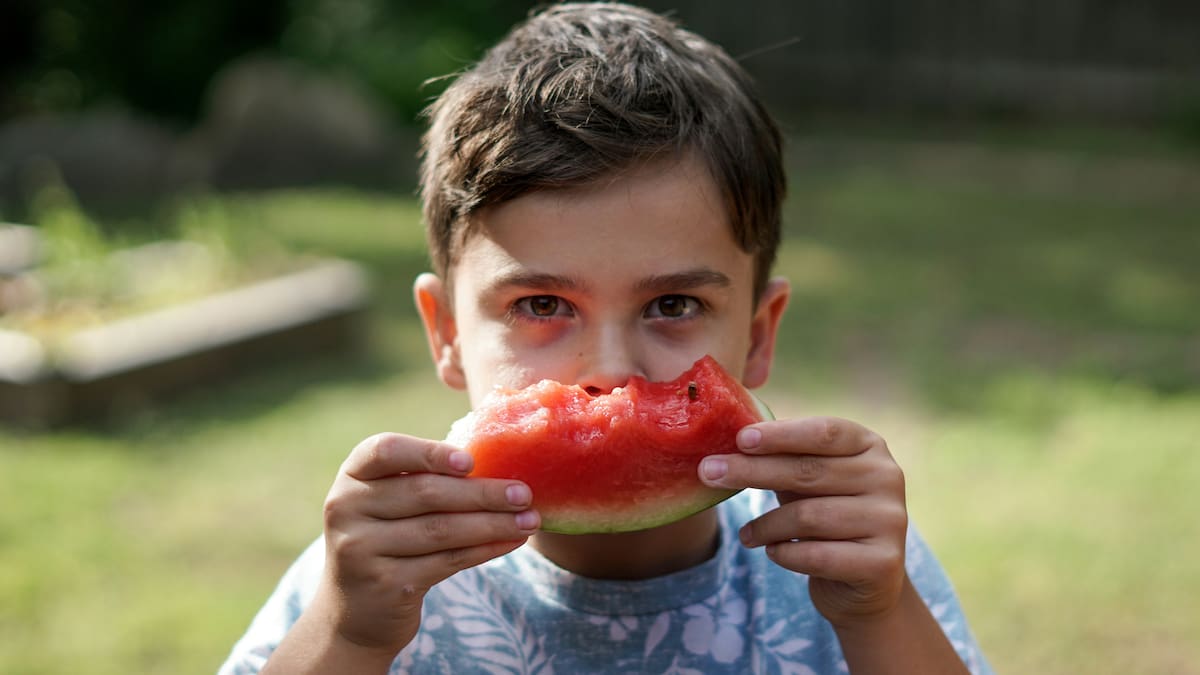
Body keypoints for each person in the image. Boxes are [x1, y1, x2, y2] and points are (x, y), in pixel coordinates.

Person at [220, 3, 992, 673]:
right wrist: (348, 636)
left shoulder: (841, 565)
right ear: (447, 334)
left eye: (673, 304)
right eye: (542, 303)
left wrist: (880, 615)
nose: (612, 371)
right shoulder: (369, 579)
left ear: (758, 335)